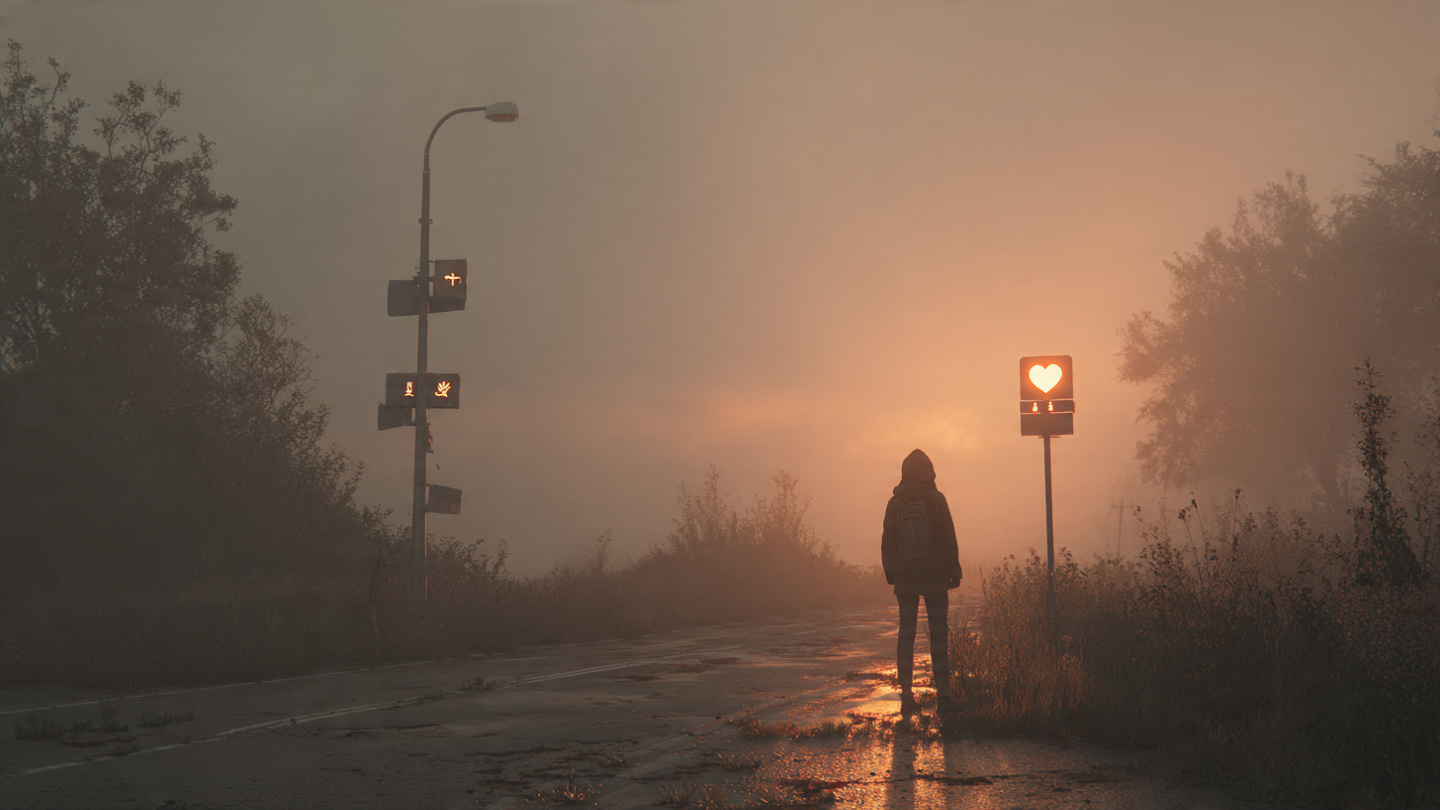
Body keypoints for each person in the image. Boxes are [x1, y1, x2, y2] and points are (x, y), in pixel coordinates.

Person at [881, 448, 962, 716]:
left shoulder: (895, 503)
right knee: (939, 634)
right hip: (935, 577)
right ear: (930, 471)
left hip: (905, 578)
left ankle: (906, 695)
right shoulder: (936, 499)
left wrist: (892, 574)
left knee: (906, 634)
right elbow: (947, 536)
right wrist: (954, 570)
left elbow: (887, 541)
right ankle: (945, 695)